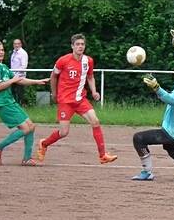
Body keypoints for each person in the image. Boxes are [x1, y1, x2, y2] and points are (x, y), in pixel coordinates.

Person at [37, 33, 117, 164]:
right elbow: (53, 76)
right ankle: (44, 144)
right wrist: (54, 93)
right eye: (77, 44)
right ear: (72, 46)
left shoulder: (88, 61)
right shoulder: (63, 60)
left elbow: (90, 77)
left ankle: (103, 155)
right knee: (63, 132)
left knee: (95, 121)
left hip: (80, 100)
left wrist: (94, 91)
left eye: (82, 44)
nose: (80, 46)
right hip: (65, 101)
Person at [132, 29, 174, 181]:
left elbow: (170, 99)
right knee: (170, 147)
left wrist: (156, 87)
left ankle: (147, 172)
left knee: (138, 138)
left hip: (172, 132)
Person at [0, 38, 50, 166]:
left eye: (2, 50)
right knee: (26, 128)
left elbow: (19, 80)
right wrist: (12, 80)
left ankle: (27, 158)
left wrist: (37, 82)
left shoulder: (3, 67)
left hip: (10, 101)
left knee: (31, 127)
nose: (1, 52)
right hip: (2, 103)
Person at [10, 38, 28, 105]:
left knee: (19, 92)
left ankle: (21, 105)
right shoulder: (14, 52)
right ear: (13, 45)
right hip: (13, 76)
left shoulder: (23, 53)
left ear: (21, 44)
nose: (16, 45)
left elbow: (24, 66)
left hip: (20, 76)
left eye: (18, 44)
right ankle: (15, 104)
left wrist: (16, 75)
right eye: (15, 44)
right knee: (13, 91)